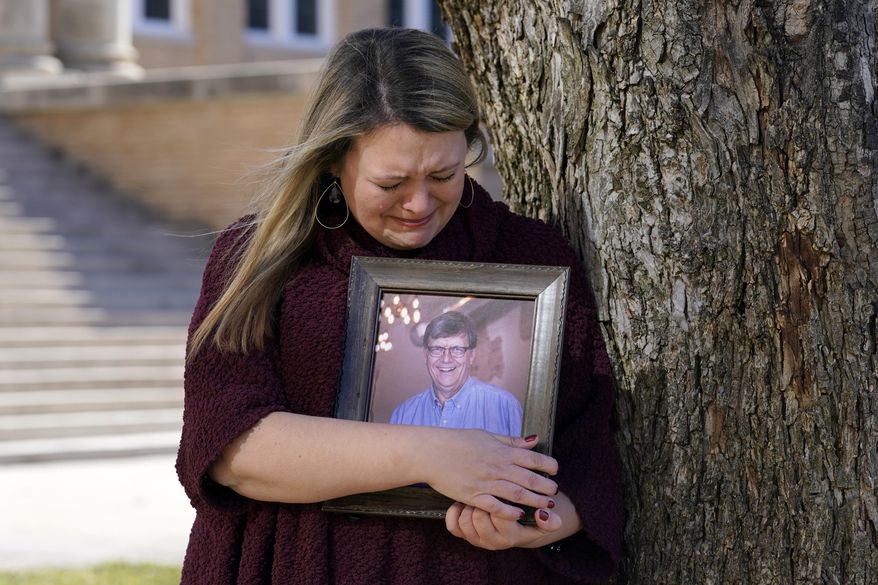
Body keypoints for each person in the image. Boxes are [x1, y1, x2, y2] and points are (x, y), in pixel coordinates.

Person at [176, 27, 622, 585]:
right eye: (390, 182)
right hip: (299, 565)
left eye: (443, 175)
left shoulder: (535, 259)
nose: (418, 204)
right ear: (335, 161)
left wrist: (545, 522)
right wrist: (428, 454)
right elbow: (229, 447)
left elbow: (591, 451)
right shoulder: (257, 261)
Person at [390, 311, 523, 435]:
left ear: (471, 356)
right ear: (426, 355)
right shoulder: (402, 415)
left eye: (457, 349)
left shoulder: (506, 407)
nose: (446, 359)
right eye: (437, 348)